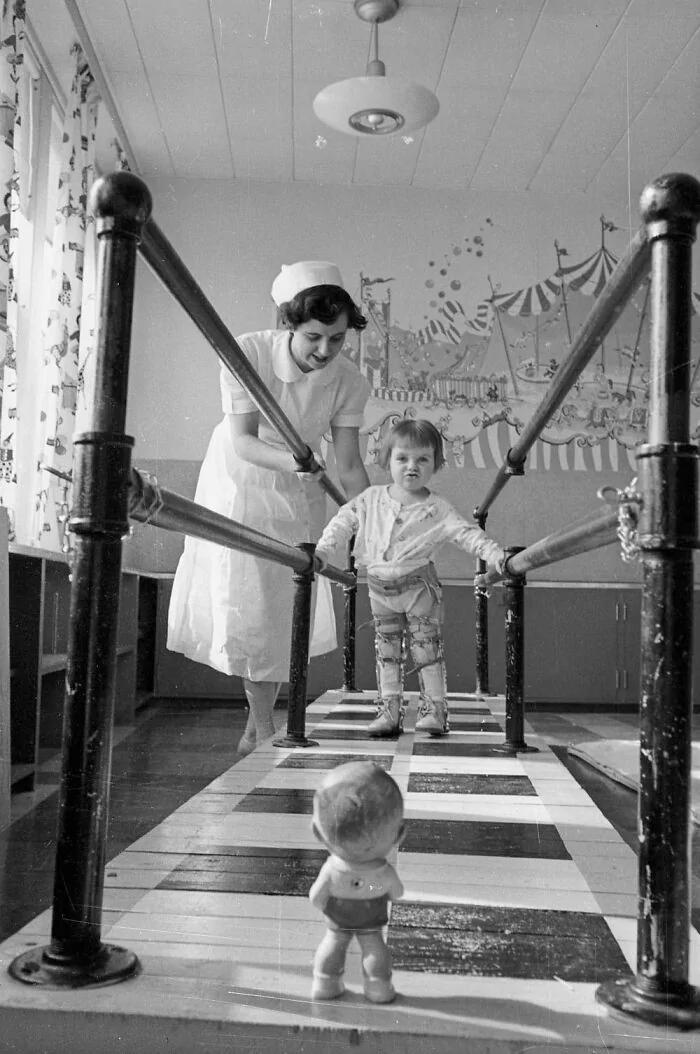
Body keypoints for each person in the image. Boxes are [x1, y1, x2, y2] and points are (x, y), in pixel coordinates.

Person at [167, 261, 371, 755]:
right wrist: (295, 461)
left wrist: (375, 519)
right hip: (241, 480)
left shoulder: (349, 380)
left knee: (283, 604)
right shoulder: (246, 352)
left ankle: (255, 728)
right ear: (288, 324)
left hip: (299, 487)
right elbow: (242, 440)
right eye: (314, 337)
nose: (326, 350)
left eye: (338, 338)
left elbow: (348, 465)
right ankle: (262, 728)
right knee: (253, 603)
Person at [314, 418, 505, 737]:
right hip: (380, 590)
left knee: (426, 649)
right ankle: (389, 710)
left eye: (422, 459)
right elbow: (342, 521)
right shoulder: (370, 499)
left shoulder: (437, 508)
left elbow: (468, 534)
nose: (412, 466)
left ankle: (435, 709)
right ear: (387, 460)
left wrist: (496, 555)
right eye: (402, 458)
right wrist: (323, 550)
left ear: (436, 464)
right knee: (387, 651)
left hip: (420, 588)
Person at [309, 760, 405, 1003]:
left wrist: (325, 902)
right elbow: (397, 892)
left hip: (338, 916)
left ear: (317, 832)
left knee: (333, 943)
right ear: (399, 835)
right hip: (371, 915)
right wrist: (374, 888)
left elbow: (316, 897)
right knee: (374, 947)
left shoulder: (331, 870)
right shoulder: (383, 872)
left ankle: (325, 982)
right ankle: (378, 987)